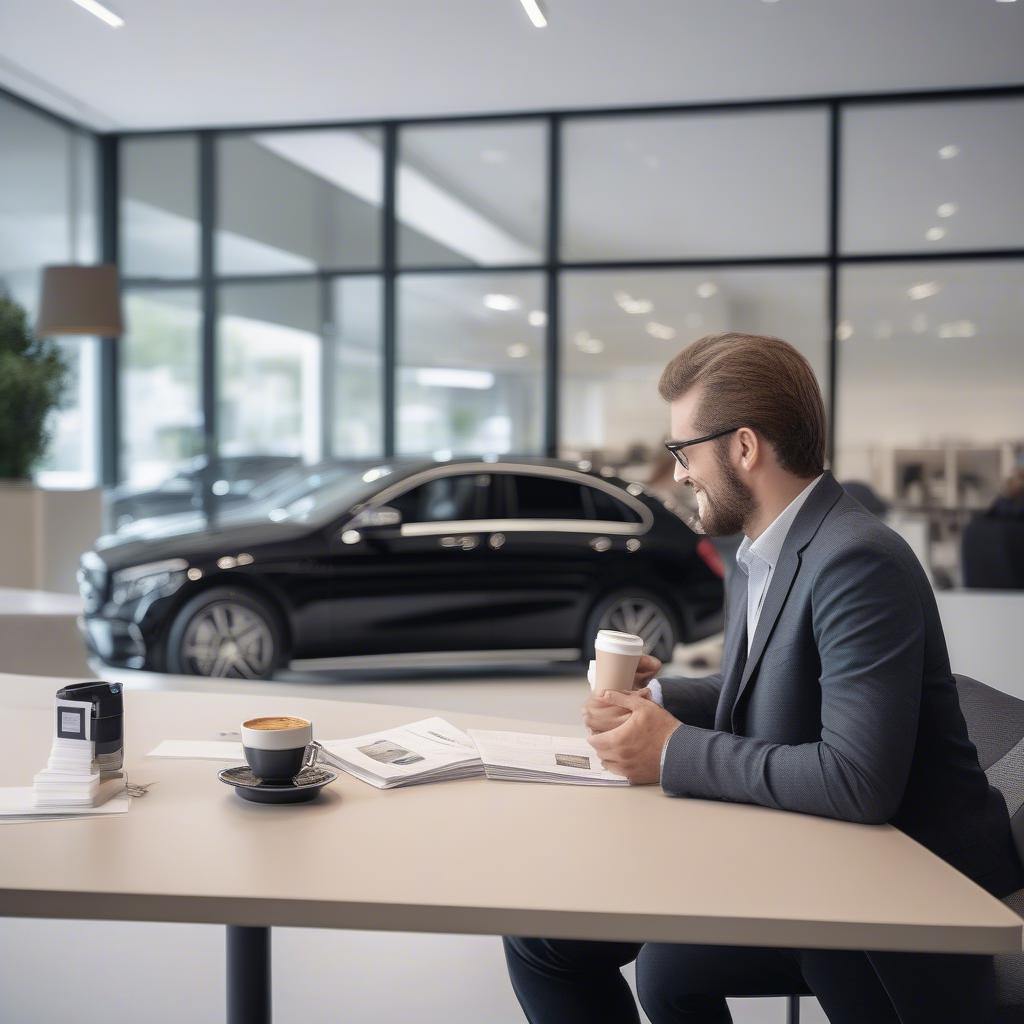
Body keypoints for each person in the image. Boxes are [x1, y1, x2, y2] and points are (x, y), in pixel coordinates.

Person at [503, 333, 1022, 1024]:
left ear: (744, 447)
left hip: (903, 891)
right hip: (811, 854)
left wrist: (669, 750)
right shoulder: (762, 548)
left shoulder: (858, 560)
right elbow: (767, 685)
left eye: (683, 451)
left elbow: (857, 781)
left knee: (605, 951)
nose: (679, 473)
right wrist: (654, 700)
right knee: (564, 941)